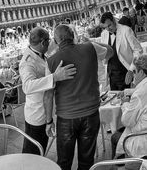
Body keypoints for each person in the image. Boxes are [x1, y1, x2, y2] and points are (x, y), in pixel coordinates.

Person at [44, 24, 114, 170]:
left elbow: (48, 96)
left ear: (56, 41)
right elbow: (110, 52)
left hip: (66, 117)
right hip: (91, 114)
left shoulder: (51, 61)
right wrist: (91, 42)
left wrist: (49, 121)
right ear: (73, 36)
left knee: (64, 161)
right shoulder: (90, 48)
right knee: (86, 160)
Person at [19, 27, 77, 155]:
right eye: (48, 41)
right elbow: (27, 87)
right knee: (32, 152)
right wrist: (54, 77)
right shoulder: (28, 61)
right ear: (43, 43)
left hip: (44, 109)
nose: (50, 43)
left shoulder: (39, 53)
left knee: (41, 148)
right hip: (37, 112)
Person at [111, 55, 147, 160]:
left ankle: (118, 164)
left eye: (134, 72)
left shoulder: (139, 94)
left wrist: (125, 103)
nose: (133, 76)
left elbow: (126, 121)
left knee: (115, 136)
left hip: (141, 138)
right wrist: (127, 92)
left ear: (141, 72)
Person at [100, 12, 143, 90]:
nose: (108, 29)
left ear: (113, 20)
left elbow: (138, 50)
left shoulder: (126, 30)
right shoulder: (104, 34)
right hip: (112, 76)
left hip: (126, 73)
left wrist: (131, 69)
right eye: (105, 27)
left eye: (109, 25)